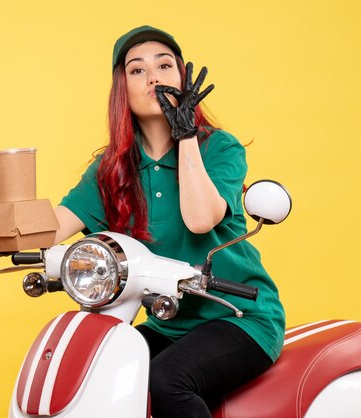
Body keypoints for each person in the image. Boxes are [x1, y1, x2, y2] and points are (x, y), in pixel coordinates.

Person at [53, 25, 285, 418]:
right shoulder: (112, 169)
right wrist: (3, 220)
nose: (154, 77)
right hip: (168, 323)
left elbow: (199, 220)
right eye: (137, 70)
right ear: (122, 88)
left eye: (165, 65)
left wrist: (186, 133)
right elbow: (52, 226)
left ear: (182, 78)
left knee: (165, 380)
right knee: (100, 368)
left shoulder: (219, 148)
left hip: (239, 317)